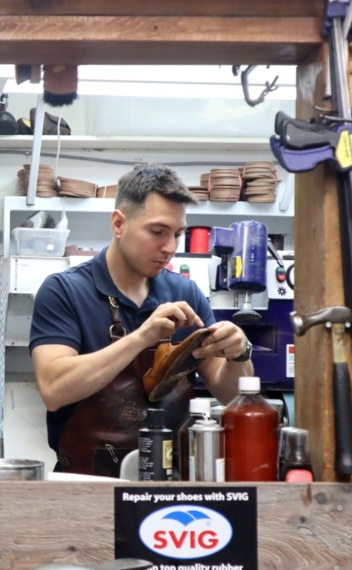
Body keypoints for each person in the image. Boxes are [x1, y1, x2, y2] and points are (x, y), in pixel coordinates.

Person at [29, 163, 253, 476]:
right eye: (158, 232)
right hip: (86, 484)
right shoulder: (65, 291)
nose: (170, 248)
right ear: (119, 224)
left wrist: (239, 353)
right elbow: (54, 390)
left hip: (171, 481)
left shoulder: (185, 293)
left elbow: (230, 394)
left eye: (177, 234)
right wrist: (140, 339)